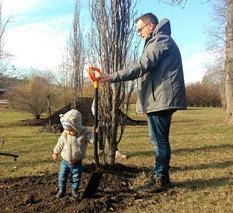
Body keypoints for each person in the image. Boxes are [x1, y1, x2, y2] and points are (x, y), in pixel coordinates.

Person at [100, 13, 186, 192]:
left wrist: (111, 77)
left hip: (161, 99)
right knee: (159, 140)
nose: (139, 33)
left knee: (159, 141)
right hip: (159, 98)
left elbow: (142, 66)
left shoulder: (161, 40)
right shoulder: (158, 41)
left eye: (140, 29)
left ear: (151, 26)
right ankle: (162, 177)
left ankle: (160, 180)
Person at [52, 109, 93, 198]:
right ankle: (62, 189)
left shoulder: (84, 133)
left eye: (71, 130)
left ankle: (75, 190)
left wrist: (94, 136)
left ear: (77, 127)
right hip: (65, 162)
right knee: (62, 176)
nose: (68, 132)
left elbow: (91, 139)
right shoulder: (66, 133)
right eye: (66, 130)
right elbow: (60, 143)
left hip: (77, 162)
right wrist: (56, 151)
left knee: (76, 178)